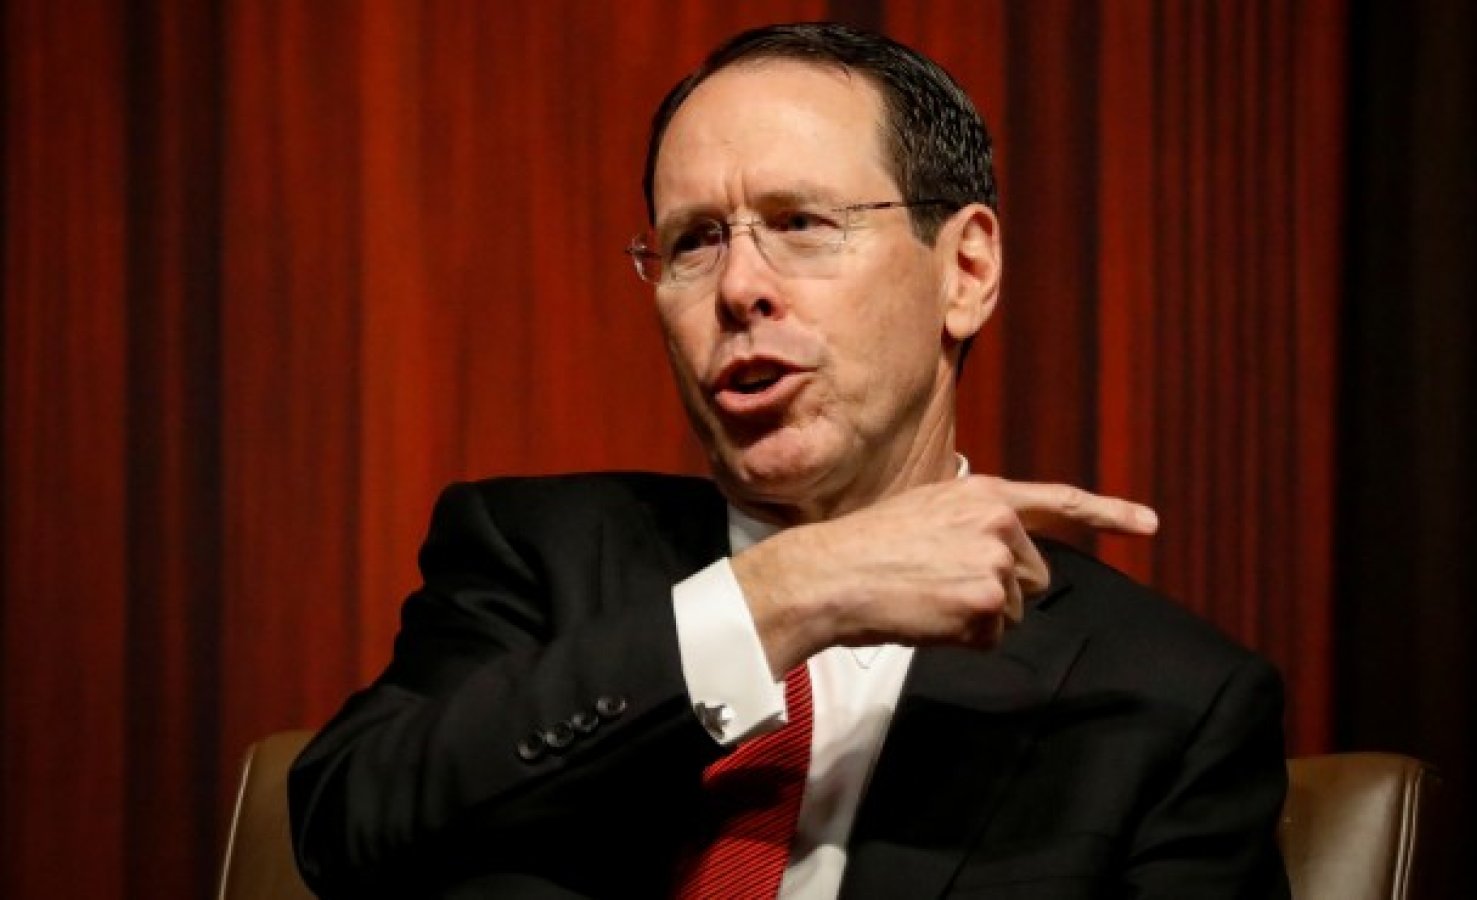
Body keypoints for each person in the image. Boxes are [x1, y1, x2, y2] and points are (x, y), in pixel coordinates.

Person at [289, 22, 1290, 900]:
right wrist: (783, 595)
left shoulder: (1164, 696)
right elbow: (345, 825)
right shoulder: (537, 556)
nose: (738, 288)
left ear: (966, 271)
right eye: (693, 241)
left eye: (801, 224)